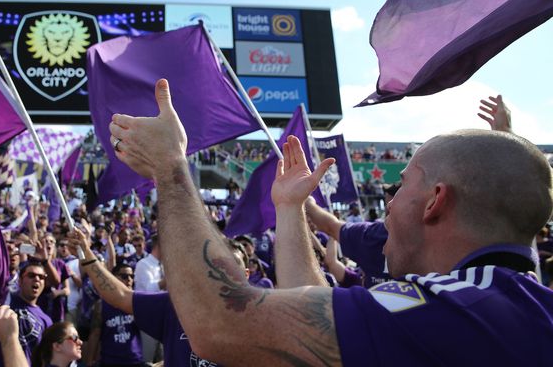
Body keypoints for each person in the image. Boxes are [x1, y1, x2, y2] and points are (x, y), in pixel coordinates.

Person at [108, 79, 553, 365]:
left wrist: (170, 169)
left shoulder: (449, 312)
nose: (390, 203)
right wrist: (289, 211)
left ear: (435, 201)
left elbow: (219, 325)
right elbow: (318, 308)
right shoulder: (502, 302)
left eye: (401, 186)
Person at [70, 227, 248, 367]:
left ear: (246, 274)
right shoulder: (175, 306)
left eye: (233, 263)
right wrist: (86, 252)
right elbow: (121, 295)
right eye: (219, 262)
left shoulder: (259, 318)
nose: (226, 269)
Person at [0, 260, 52, 367]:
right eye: (31, 275)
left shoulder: (46, 320)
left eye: (42, 277)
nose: (37, 279)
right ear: (20, 281)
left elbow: (44, 356)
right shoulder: (4, 299)